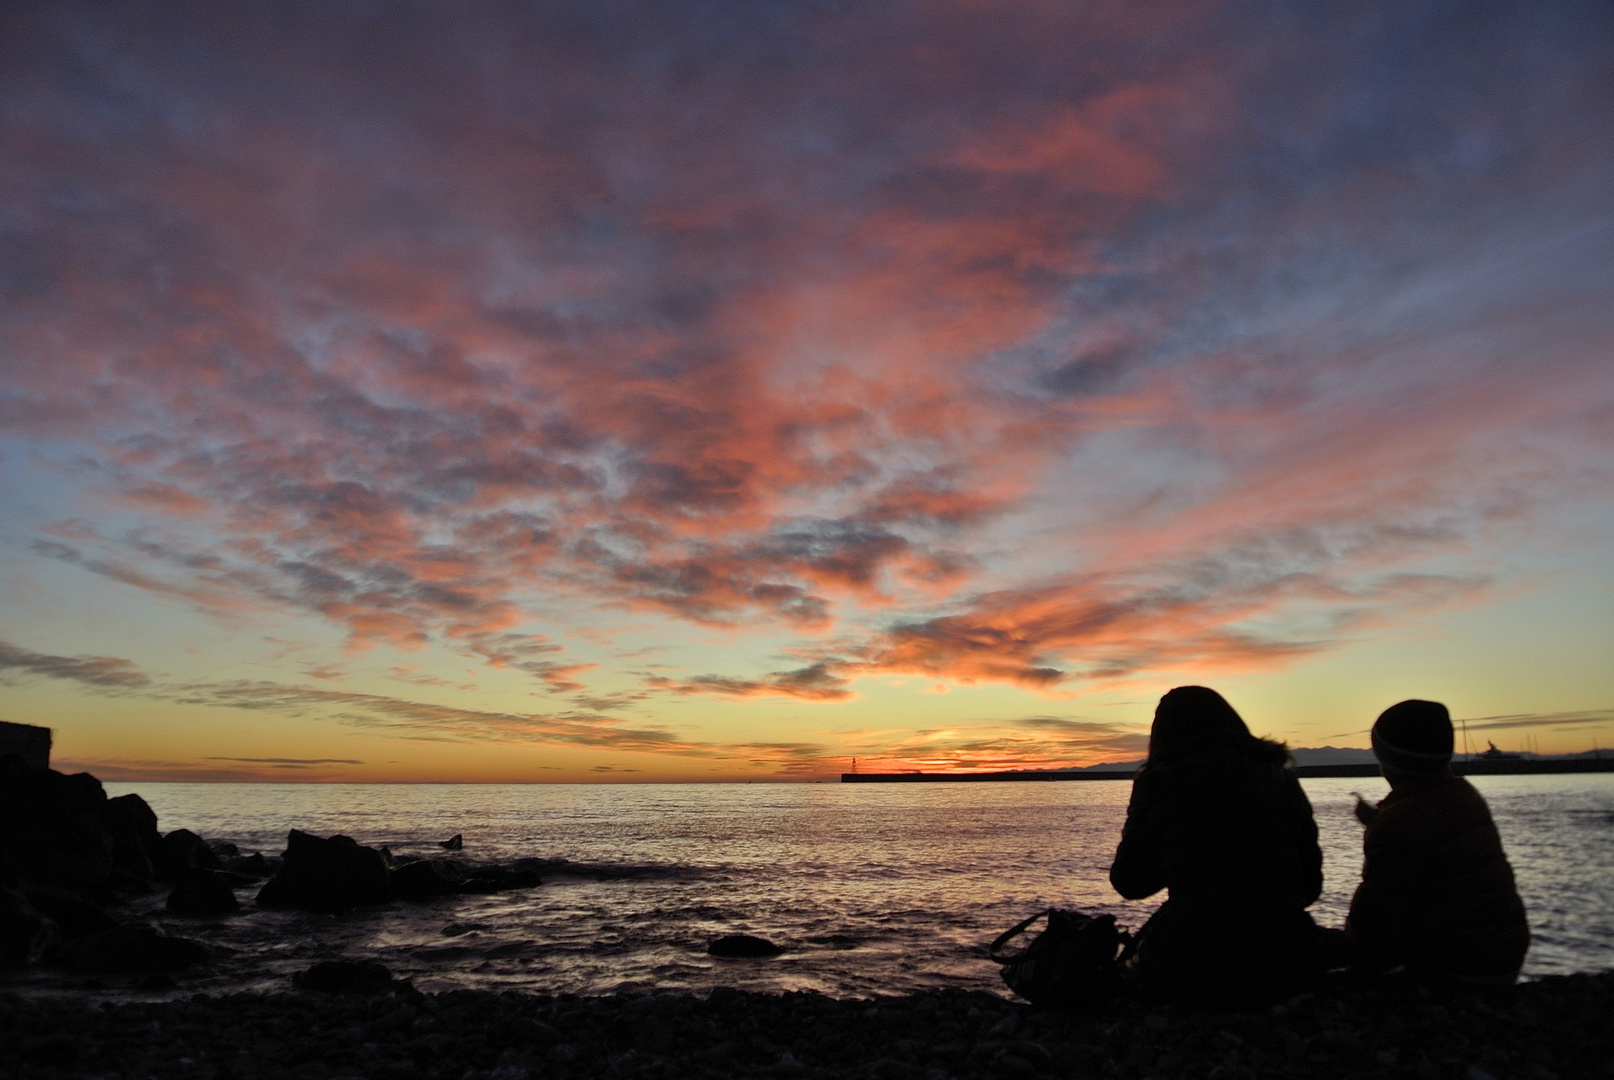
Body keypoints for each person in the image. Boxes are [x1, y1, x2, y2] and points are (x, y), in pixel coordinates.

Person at [1110, 686, 1324, 1005]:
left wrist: (1142, 808)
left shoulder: (1163, 783)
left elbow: (1131, 883)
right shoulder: (1282, 781)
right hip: (1292, 959)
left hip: (1192, 966)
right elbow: (1309, 888)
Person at [1346, 699, 1529, 988]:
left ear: (1388, 762)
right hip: (1503, 959)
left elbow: (1374, 927)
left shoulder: (1398, 824)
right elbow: (1433, 835)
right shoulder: (1465, 796)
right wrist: (1377, 820)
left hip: (1455, 970)